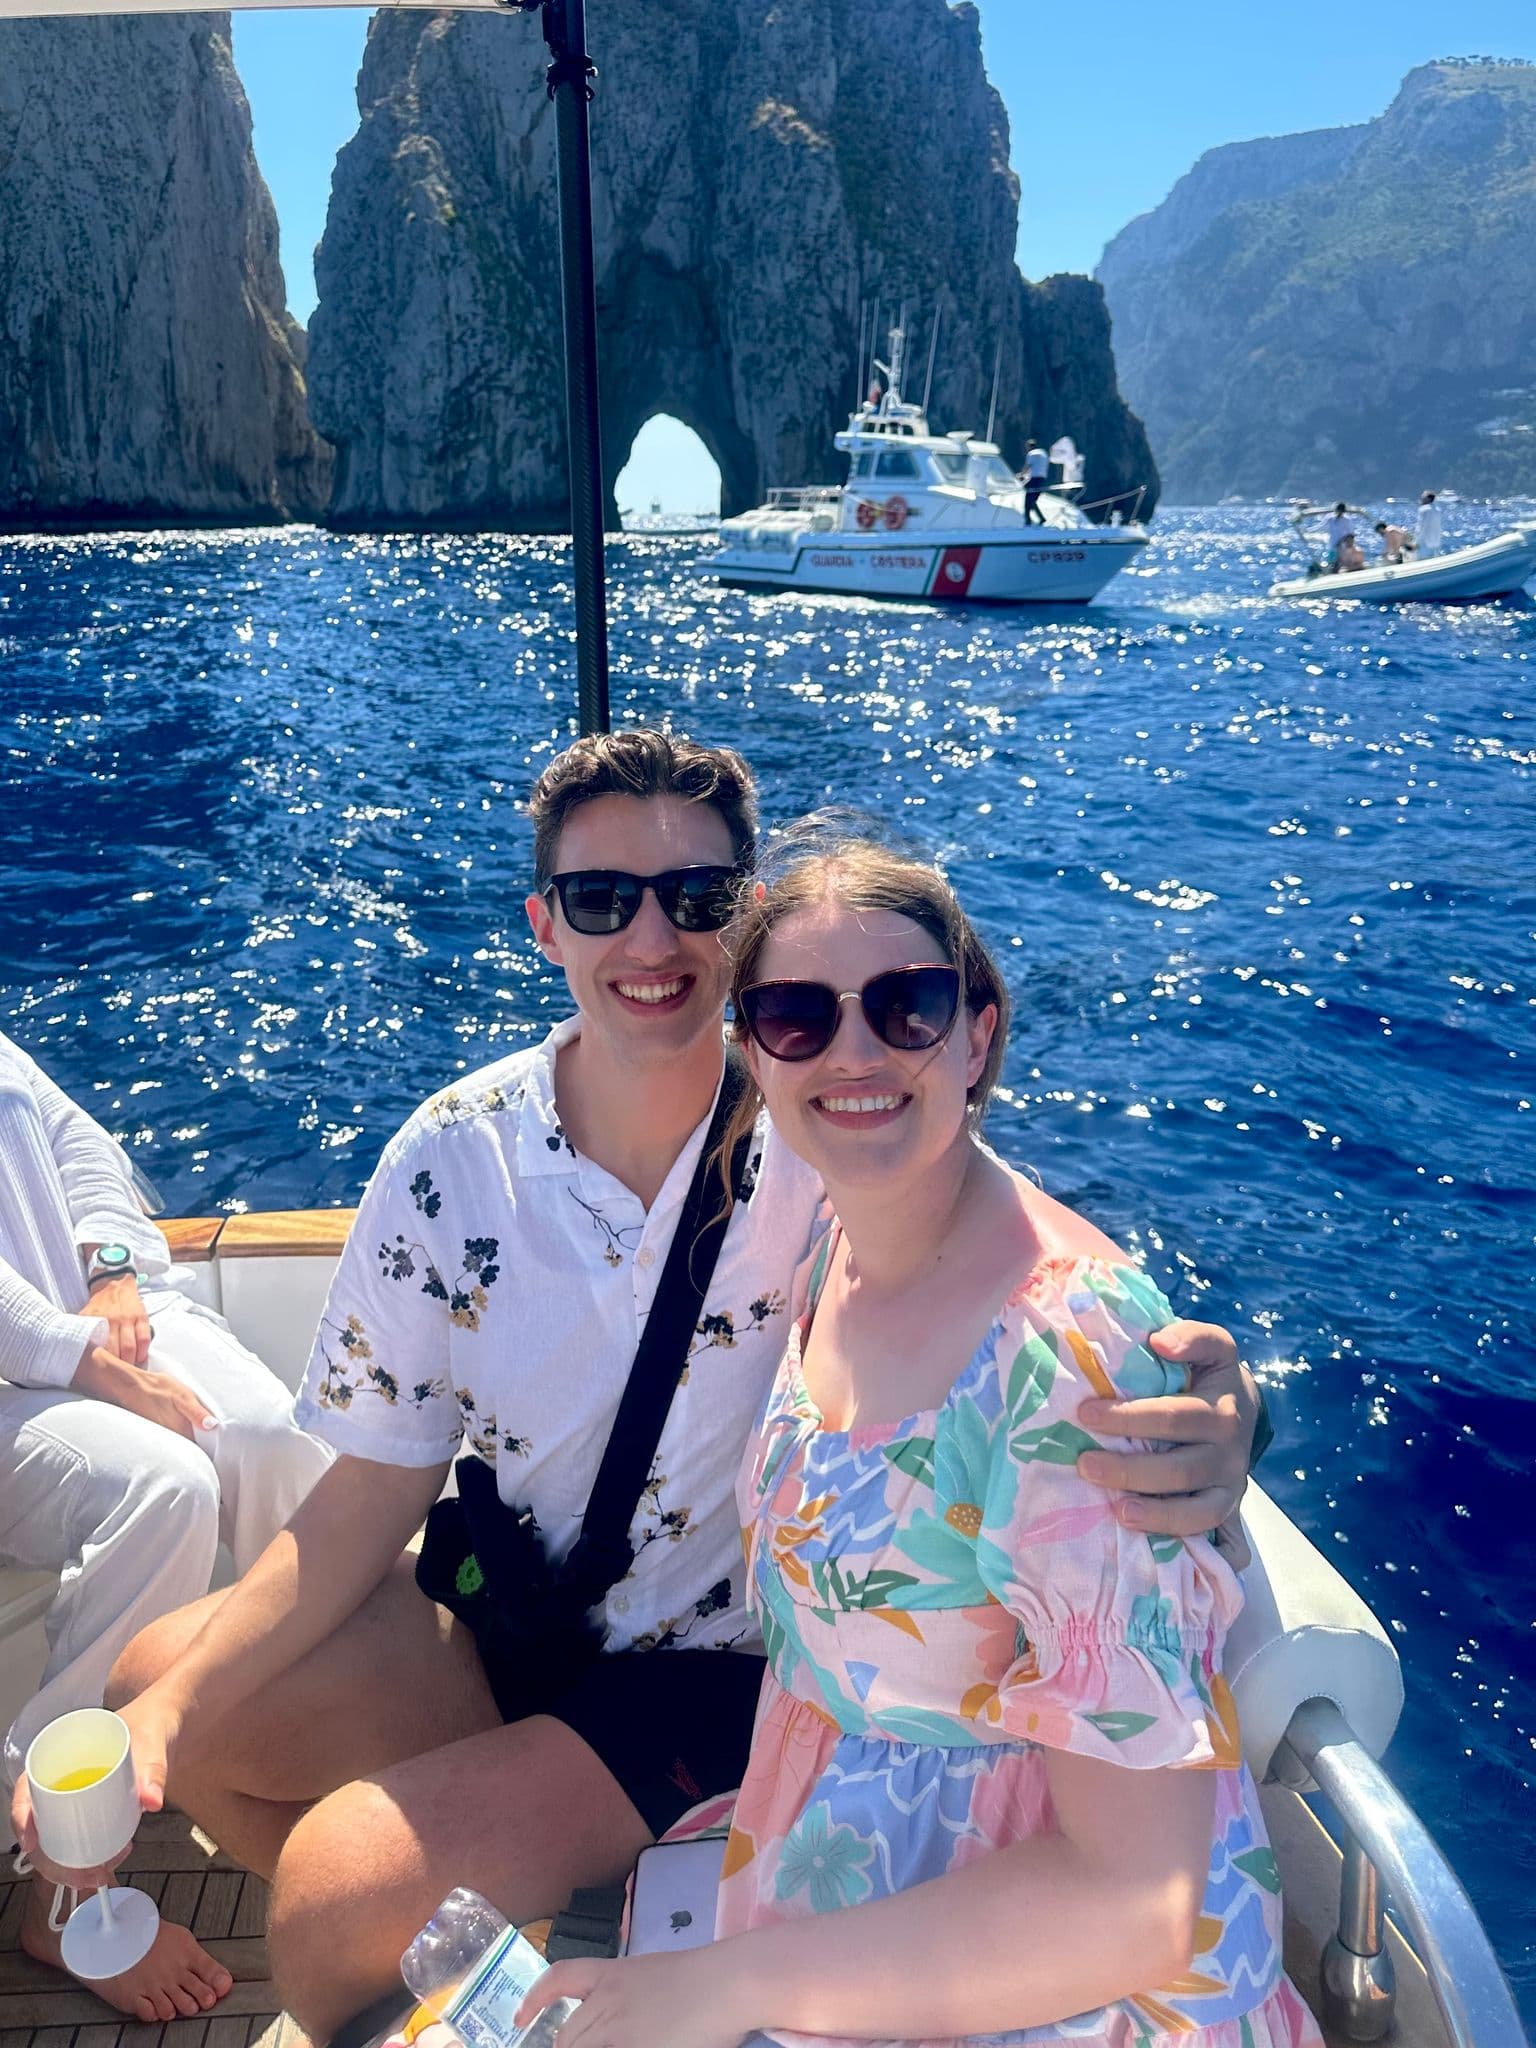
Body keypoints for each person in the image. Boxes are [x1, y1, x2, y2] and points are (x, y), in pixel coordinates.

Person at [23, 733, 1261, 2044]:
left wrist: (1231, 1412)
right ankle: (501, 1906)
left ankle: (460, 1892)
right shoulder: (457, 1161)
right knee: (164, 1684)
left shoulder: (827, 1125)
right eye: (604, 898)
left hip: (714, 1670)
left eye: (698, 896)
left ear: (747, 919)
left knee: (332, 1903)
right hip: (520, 1615)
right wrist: (168, 1712)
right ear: (545, 925)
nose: (652, 937)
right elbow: (374, 1485)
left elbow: (1022, 1279)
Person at [522, 831, 1319, 2048]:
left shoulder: (1068, 1354)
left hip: (1035, 1971)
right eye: (797, 1014)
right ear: (754, 1051)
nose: (853, 1051)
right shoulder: (831, 1236)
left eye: (907, 1006)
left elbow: (1138, 1901)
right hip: (852, 1887)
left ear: (976, 1034)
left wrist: (724, 1985)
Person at [0, 1029, 331, 2022]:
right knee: (166, 1487)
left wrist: (112, 1270)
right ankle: (65, 1888)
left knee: (273, 1438)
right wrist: (86, 1359)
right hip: (20, 1377)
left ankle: (304, 1731)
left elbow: (72, 1137)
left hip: (94, 1316)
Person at [1022, 440, 1050, 524]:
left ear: (1029, 447)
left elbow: (1027, 467)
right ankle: (1041, 518)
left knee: (1028, 500)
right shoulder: (1044, 453)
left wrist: (1021, 475)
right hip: (1042, 479)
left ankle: (1028, 521)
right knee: (1033, 500)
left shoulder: (1031, 454)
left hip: (1034, 479)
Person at [1323, 501, 1353, 569]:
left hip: (1343, 545)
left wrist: (1344, 541)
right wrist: (1308, 530)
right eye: (1339, 510)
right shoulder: (1330, 518)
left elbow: (1350, 532)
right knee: (1331, 562)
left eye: (1342, 511)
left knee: (1342, 562)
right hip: (1332, 544)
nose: (1340, 512)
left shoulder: (1347, 519)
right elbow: (1321, 526)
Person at [1415, 489, 1444, 557]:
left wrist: (1416, 541)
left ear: (1428, 499)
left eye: (1423, 497)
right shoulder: (1438, 510)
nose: (1421, 498)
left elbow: (1421, 527)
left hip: (1424, 543)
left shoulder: (1423, 509)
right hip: (1436, 542)